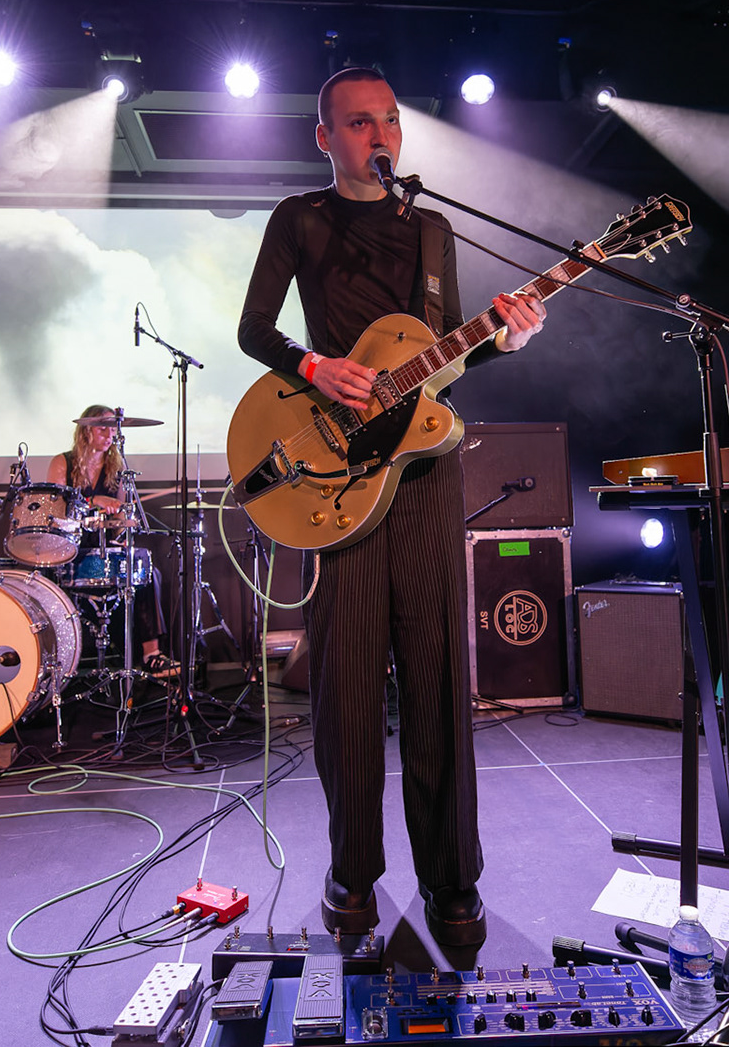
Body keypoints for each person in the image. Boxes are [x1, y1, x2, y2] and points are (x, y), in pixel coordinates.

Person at [237, 68, 546, 948]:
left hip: (422, 472)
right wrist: (311, 366)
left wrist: (504, 340)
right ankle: (352, 872)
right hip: (336, 480)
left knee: (441, 674)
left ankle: (453, 879)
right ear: (325, 137)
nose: (381, 134)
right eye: (360, 121)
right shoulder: (300, 218)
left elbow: (440, 363)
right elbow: (255, 329)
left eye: (391, 120)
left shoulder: (435, 229)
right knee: (344, 686)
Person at [44, 406, 174, 677]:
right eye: (102, 427)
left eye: (113, 428)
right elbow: (56, 511)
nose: (109, 433)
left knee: (147, 570)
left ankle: (152, 655)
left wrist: (123, 528)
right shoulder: (63, 463)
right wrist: (93, 502)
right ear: (86, 431)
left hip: (104, 549)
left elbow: (118, 522)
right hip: (71, 550)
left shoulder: (116, 468)